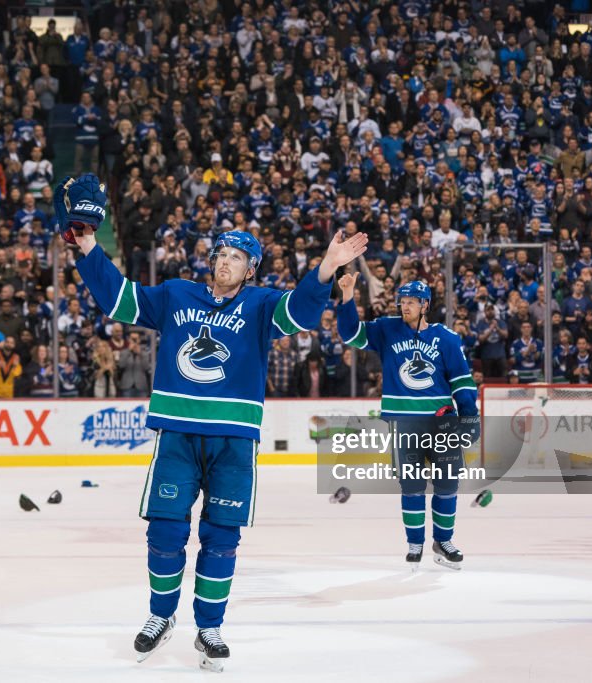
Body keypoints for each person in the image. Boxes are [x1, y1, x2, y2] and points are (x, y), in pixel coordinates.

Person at [59, 173, 367, 671]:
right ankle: (161, 616)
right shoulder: (177, 294)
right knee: (164, 531)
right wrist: (89, 242)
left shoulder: (262, 306)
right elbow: (119, 300)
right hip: (178, 435)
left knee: (221, 536)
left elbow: (303, 312)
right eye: (222, 253)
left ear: (250, 270)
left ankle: (209, 626)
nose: (226, 261)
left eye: (237, 257)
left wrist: (326, 267)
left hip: (233, 442)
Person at [337, 275, 478, 572]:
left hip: (442, 425)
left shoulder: (447, 339)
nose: (405, 306)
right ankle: (415, 544)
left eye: (411, 302)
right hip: (404, 424)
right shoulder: (387, 329)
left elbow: (462, 383)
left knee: (447, 485)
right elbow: (350, 334)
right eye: (402, 301)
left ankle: (444, 541)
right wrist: (348, 297)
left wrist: (468, 415)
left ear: (425, 304)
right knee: (412, 486)